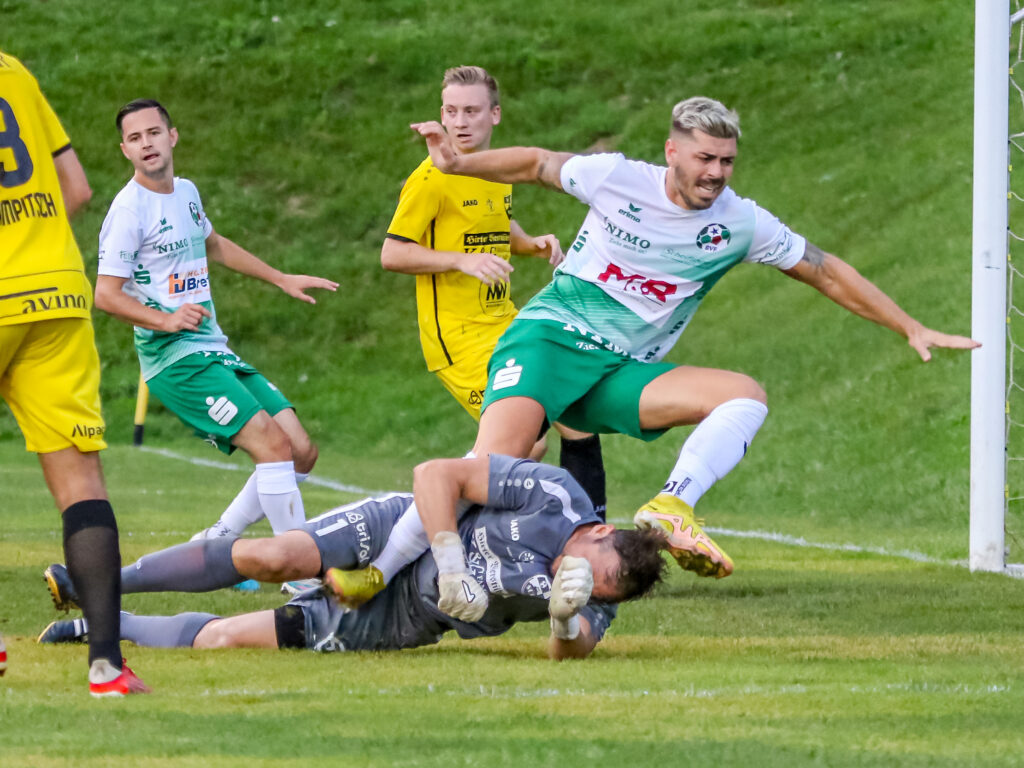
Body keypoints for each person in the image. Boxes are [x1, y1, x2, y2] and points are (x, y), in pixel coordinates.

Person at [333, 96, 981, 610]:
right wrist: (457, 165)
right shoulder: (617, 178)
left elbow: (824, 269)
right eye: (704, 158)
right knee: (487, 469)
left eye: (726, 161)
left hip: (616, 370)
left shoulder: (739, 223)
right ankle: (377, 573)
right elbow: (536, 163)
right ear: (672, 152)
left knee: (743, 396)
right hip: (550, 342)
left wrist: (909, 327)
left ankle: (672, 503)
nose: (715, 173)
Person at [40, 455, 666, 660]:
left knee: (229, 639)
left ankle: (103, 624)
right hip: (404, 529)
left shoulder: (599, 597)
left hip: (412, 616)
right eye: (586, 569)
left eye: (595, 590)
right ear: (597, 531)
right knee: (274, 555)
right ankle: (99, 581)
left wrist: (564, 619)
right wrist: (449, 559)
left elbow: (573, 649)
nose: (574, 579)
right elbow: (436, 475)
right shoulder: (556, 494)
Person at [94, 99, 338, 542]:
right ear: (125, 150)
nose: (146, 143)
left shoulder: (186, 192)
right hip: (175, 360)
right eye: (135, 138)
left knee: (300, 450)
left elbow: (215, 245)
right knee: (273, 446)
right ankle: (298, 568)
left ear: (172, 136)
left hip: (211, 347)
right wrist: (165, 320)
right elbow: (105, 295)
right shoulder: (129, 211)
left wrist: (280, 277)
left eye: (153, 132)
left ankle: (218, 540)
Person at [382, 65, 607, 516]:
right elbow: (393, 253)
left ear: (495, 115)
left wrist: (529, 243)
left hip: (505, 323)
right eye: (451, 111)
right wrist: (460, 261)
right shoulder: (429, 180)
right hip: (459, 339)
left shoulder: (495, 171)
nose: (460, 122)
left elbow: (494, 224)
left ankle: (589, 535)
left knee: (572, 417)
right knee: (527, 439)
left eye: (471, 111)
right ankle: (422, 528)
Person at [0, 50, 148, 696]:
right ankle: (107, 667)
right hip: (55, 291)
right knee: (81, 482)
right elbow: (77, 190)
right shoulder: (13, 71)